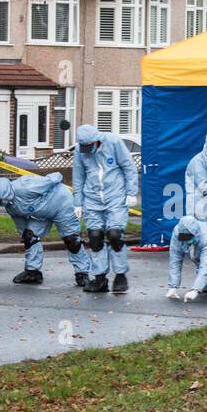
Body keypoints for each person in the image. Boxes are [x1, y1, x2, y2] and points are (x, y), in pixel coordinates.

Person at [0, 172, 90, 286]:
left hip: (62, 203)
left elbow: (52, 179)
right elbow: (21, 225)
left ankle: (82, 273)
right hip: (41, 214)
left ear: (7, 193)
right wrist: (26, 237)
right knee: (29, 236)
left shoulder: (26, 187)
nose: (1, 204)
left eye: (1, 200)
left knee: (71, 240)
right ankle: (32, 272)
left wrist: (58, 176)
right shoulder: (10, 207)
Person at [72, 123, 138, 294]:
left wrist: (132, 192)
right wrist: (78, 203)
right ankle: (100, 279)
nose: (87, 149)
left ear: (97, 141)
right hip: (92, 199)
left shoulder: (113, 142)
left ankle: (120, 275)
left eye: (89, 146)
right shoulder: (80, 150)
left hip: (115, 196)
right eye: (83, 147)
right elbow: (78, 177)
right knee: (95, 236)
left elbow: (128, 166)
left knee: (114, 234)